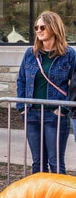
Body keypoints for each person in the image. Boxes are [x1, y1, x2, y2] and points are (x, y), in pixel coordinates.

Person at [15, 11, 76, 174]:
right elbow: (21, 80)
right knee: (38, 163)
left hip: (54, 115)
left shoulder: (69, 54)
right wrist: (22, 107)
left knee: (55, 162)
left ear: (54, 28)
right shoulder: (31, 53)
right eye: (36, 27)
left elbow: (75, 85)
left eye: (42, 27)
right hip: (32, 114)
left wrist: (63, 109)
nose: (38, 30)